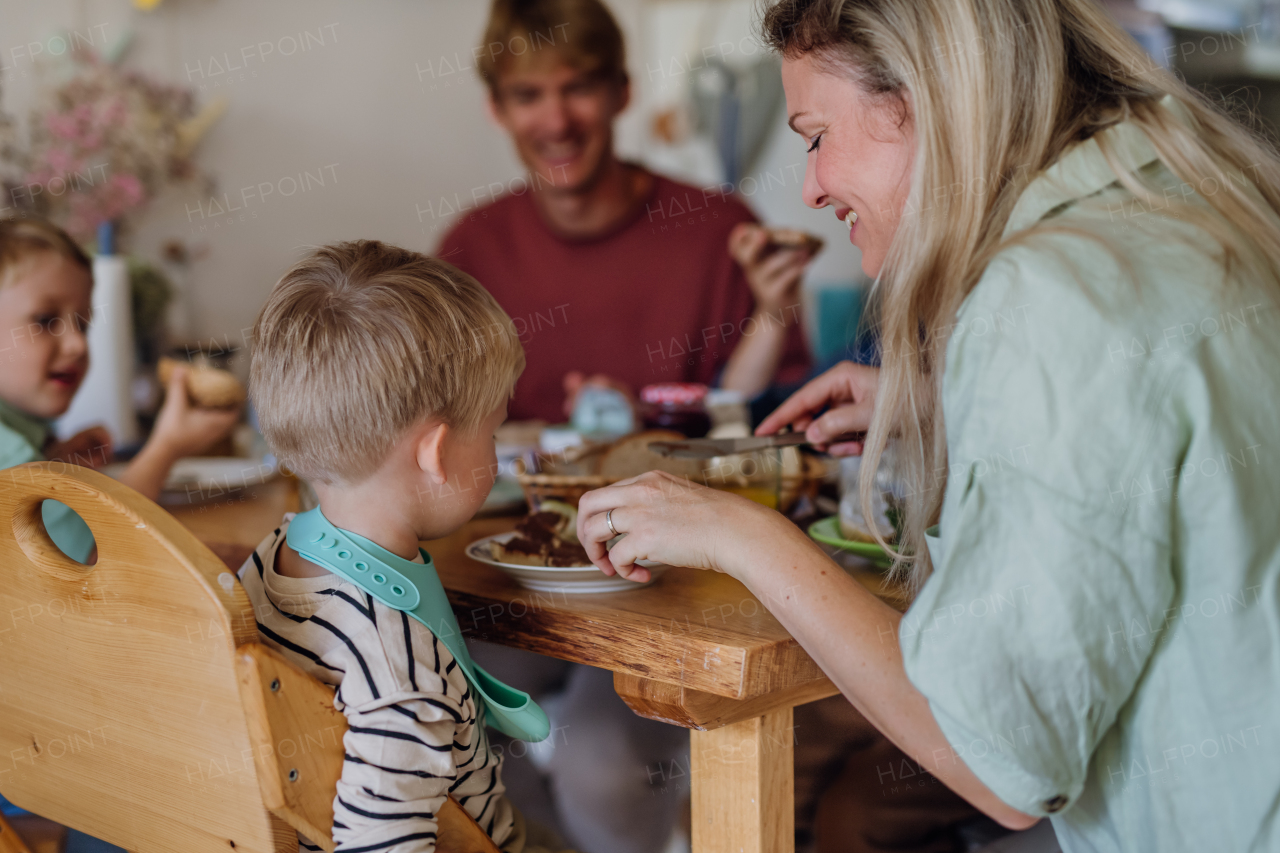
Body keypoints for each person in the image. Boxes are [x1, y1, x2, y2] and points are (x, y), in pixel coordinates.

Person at [574, 1, 1280, 851]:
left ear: (922, 96)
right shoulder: (1184, 195)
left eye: (813, 135)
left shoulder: (1046, 297)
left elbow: (1001, 761)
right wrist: (954, 410)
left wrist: (742, 535)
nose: (809, 188)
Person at [239, 241, 572, 853]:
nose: (497, 454)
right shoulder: (402, 669)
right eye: (494, 431)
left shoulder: (273, 553)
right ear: (436, 453)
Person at [437, 0, 813, 424]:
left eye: (579, 88)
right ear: (496, 109)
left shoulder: (722, 231)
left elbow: (785, 422)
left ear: (623, 92)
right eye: (528, 95)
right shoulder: (467, 252)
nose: (557, 121)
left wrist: (648, 422)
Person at [0, 217, 238, 563]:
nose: (77, 345)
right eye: (45, 320)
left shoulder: (20, 432)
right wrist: (167, 447)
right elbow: (94, 546)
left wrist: (60, 458)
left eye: (83, 324)